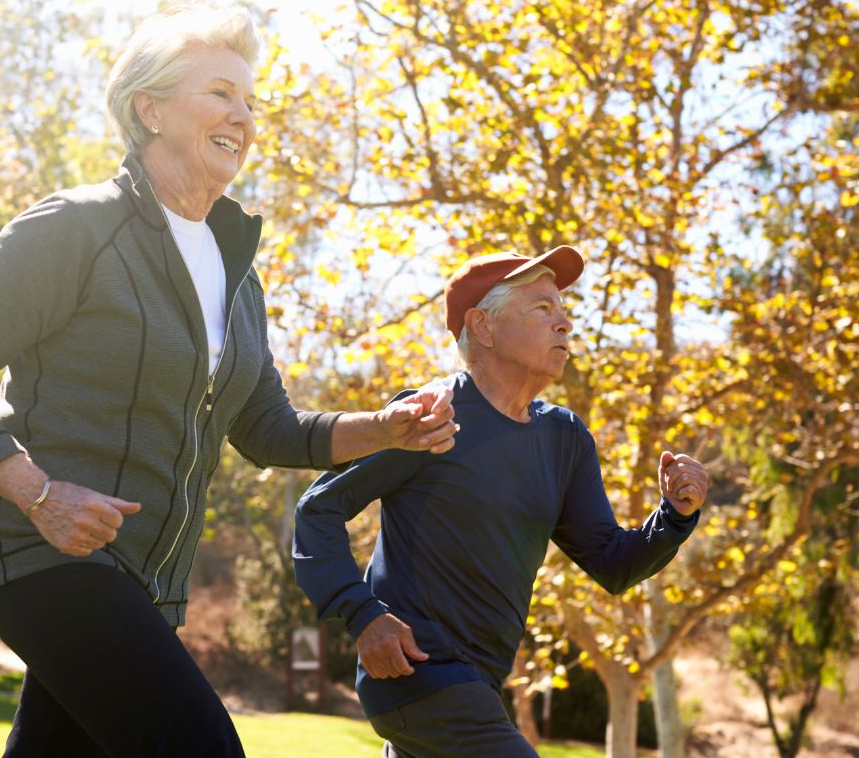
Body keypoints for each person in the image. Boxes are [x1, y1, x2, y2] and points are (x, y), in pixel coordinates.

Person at [0, 3, 456, 758]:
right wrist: (39, 493)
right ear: (150, 108)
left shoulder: (237, 276)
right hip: (45, 556)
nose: (244, 116)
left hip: (143, 587)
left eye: (251, 102)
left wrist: (385, 429)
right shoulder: (75, 229)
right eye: (221, 93)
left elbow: (268, 428)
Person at [292, 248, 710, 758]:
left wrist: (674, 516)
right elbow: (318, 510)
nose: (565, 323)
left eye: (562, 309)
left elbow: (611, 562)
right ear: (483, 326)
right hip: (417, 676)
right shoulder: (432, 415)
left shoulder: (564, 439)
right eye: (542, 308)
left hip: (477, 686)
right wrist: (364, 616)